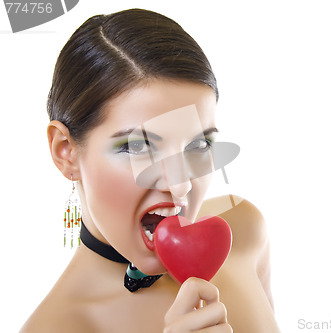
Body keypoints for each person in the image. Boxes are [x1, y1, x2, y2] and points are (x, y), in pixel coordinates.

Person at [21, 8, 279, 333]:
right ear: (66, 152)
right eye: (139, 147)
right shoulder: (55, 327)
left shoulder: (244, 229)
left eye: (198, 146)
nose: (181, 186)